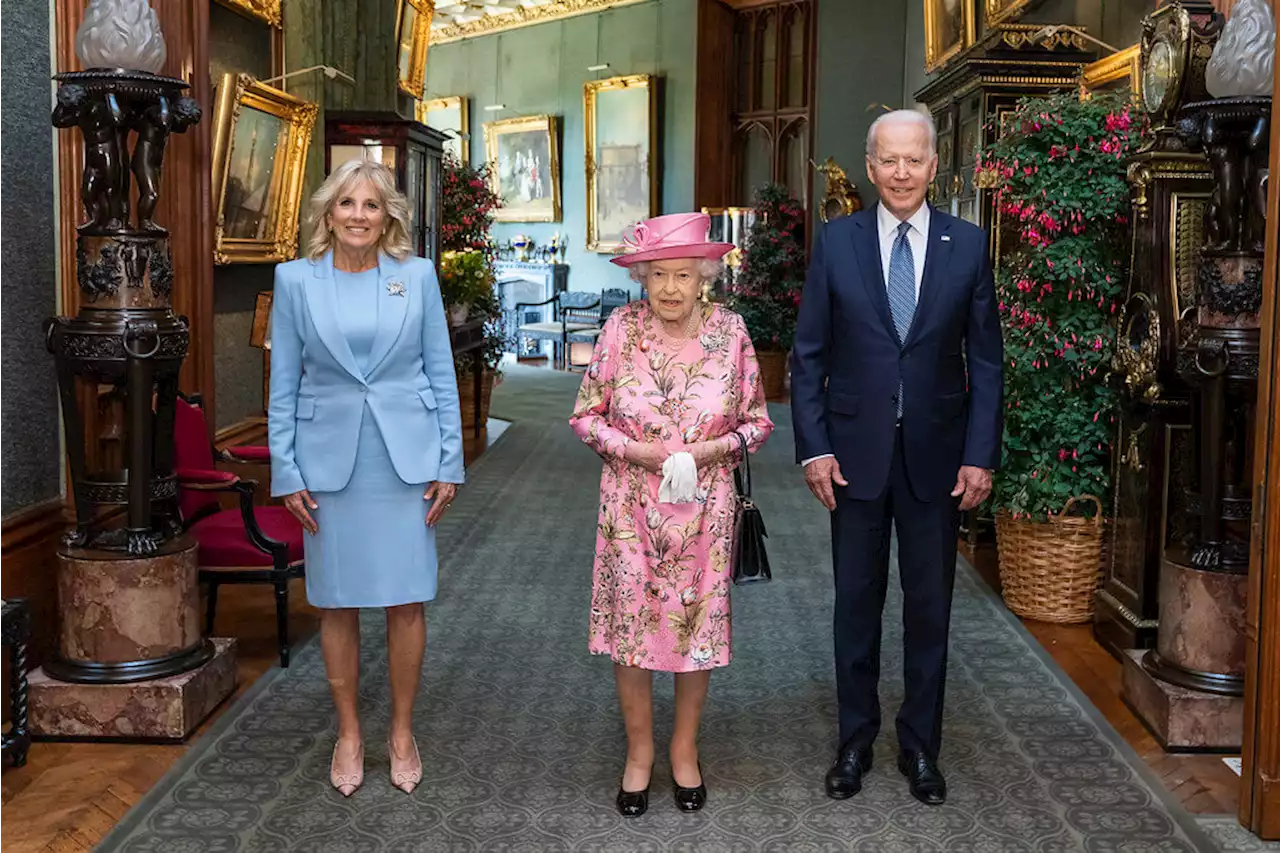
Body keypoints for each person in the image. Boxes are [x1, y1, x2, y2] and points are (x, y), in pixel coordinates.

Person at [790, 109, 1003, 806]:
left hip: (939, 460)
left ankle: (921, 747)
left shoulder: (967, 246)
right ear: (871, 165)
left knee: (930, 608)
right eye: (889, 160)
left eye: (915, 159)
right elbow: (809, 354)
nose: (902, 172)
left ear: (935, 164)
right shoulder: (836, 241)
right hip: (852, 458)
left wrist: (980, 454)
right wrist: (814, 446)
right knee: (856, 604)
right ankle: (854, 742)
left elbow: (987, 363)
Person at [268, 158, 464, 797]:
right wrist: (285, 469)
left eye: (372, 205)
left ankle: (402, 731)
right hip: (328, 466)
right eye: (347, 203)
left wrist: (449, 462)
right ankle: (349, 732)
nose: (358, 215)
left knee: (407, 599)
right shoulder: (294, 282)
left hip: (406, 462)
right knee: (336, 601)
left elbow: (440, 370)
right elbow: (284, 385)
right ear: (328, 213)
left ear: (388, 219)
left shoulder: (418, 278)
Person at [569, 212, 774, 817]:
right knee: (632, 633)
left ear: (704, 274)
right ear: (642, 277)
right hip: (630, 506)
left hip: (705, 510)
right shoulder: (618, 329)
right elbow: (586, 415)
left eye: (683, 275)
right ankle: (639, 753)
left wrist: (706, 452)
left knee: (694, 631)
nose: (671, 289)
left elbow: (758, 423)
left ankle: (684, 748)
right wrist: (636, 451)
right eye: (658, 275)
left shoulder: (730, 332)